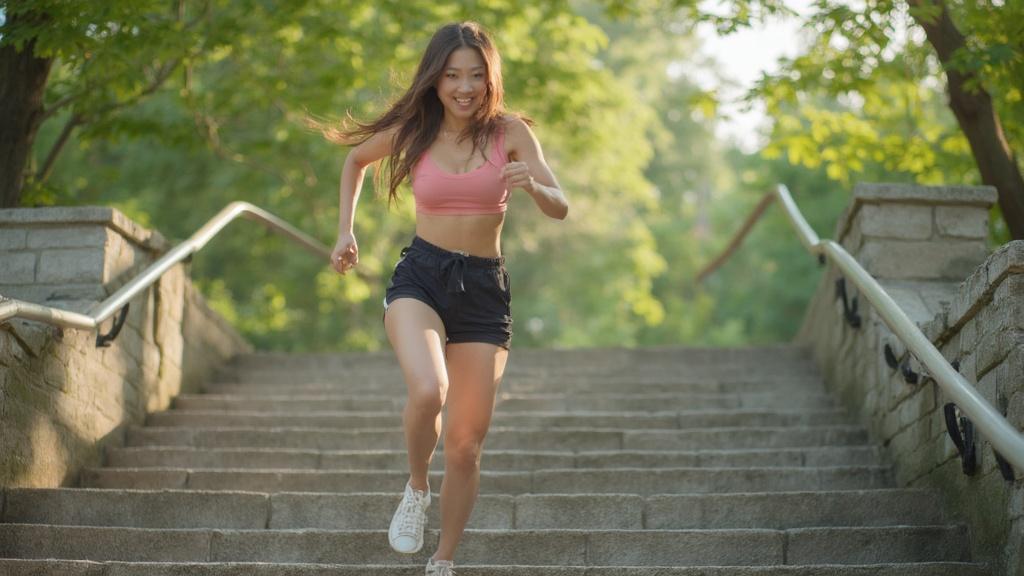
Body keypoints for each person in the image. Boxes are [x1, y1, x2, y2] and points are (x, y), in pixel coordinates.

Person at [324, 21, 568, 576]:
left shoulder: (510, 132)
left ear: (490, 78)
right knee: (430, 388)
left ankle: (443, 561)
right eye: (453, 75)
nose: (464, 87)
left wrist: (532, 185)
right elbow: (355, 161)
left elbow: (561, 206)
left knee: (464, 446)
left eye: (476, 75)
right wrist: (345, 232)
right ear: (435, 79)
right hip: (422, 277)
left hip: (484, 291)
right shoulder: (416, 131)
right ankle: (417, 487)